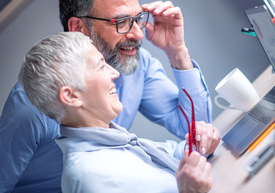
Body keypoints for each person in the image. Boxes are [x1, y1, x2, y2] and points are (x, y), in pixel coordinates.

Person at [0, 0, 212, 192]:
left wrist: (177, 52)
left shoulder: (137, 63)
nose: (138, 34)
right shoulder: (31, 104)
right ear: (78, 28)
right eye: (121, 22)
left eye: (138, 18)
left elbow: (196, 131)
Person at [18, 31, 220, 192]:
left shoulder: (114, 139)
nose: (115, 73)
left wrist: (197, 144)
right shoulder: (88, 177)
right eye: (100, 67)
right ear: (71, 96)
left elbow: (164, 157)